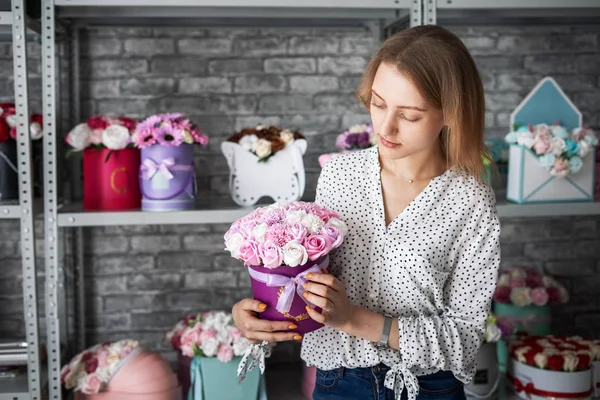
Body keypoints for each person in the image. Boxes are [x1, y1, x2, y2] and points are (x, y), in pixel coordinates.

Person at [232, 24, 501, 400]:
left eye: (409, 115)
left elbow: (465, 340)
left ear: (451, 114)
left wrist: (355, 320)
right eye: (378, 103)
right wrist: (262, 315)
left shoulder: (471, 201)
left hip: (429, 389)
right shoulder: (339, 175)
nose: (385, 126)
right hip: (338, 382)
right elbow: (307, 284)